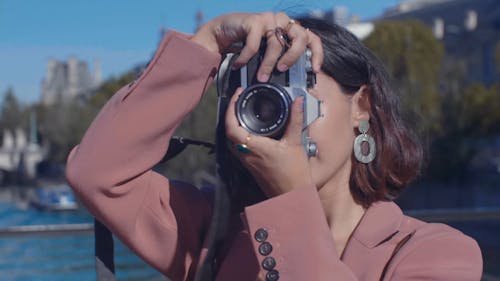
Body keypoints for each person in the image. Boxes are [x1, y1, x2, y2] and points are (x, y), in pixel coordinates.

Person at [65, 12, 482, 281]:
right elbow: (99, 174)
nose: (286, 118)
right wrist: (207, 44)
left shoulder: (437, 254)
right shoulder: (218, 230)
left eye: (305, 93)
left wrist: (291, 200)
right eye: (263, 103)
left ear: (363, 107)